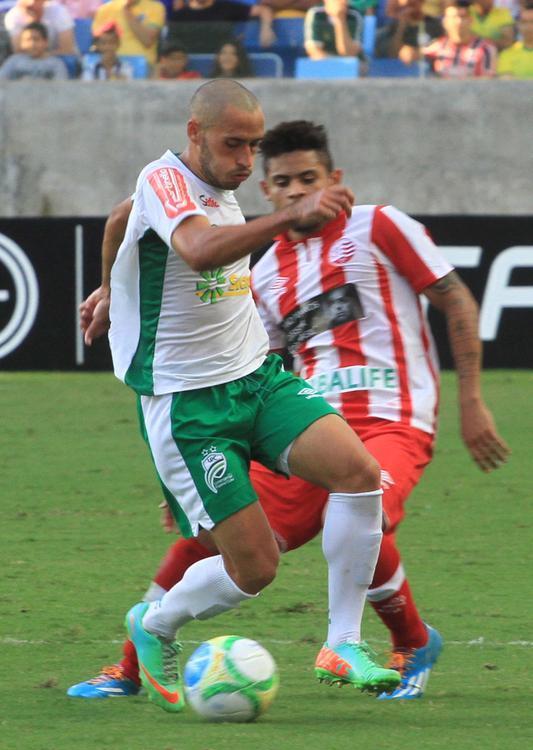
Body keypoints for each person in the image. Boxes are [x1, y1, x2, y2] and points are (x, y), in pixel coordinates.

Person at [69, 118, 509, 704]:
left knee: (361, 497)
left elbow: (455, 298)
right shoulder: (263, 266)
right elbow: (250, 364)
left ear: (334, 180)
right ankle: (132, 660)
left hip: (393, 417)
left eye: (309, 179)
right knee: (222, 540)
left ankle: (395, 641)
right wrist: (188, 476)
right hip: (301, 410)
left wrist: (471, 400)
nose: (297, 191)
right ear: (267, 190)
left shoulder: (379, 225)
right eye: (283, 182)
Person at [166, 0, 275, 53]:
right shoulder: (179, 15)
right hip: (191, 63)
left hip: (223, 61)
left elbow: (264, 10)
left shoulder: (225, 7)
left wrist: (266, 29)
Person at [423, 0, 497, 77]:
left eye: (463, 17)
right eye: (453, 17)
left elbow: (488, 80)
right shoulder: (436, 48)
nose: (459, 22)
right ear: (445, 22)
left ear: (471, 20)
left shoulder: (486, 48)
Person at [91, 0, 165, 67]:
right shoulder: (105, 10)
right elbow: (98, 44)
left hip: (144, 67)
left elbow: (147, 40)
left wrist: (126, 10)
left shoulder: (156, 7)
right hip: (112, 65)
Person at [375, 0, 443, 64]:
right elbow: (390, 54)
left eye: (414, 4)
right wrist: (402, 25)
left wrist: (419, 52)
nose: (410, 9)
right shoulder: (392, 29)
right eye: (408, 5)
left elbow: (440, 49)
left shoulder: (434, 25)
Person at [4, 0, 77, 54]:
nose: (31, 2)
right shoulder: (13, 16)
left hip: (58, 58)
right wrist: (32, 22)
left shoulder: (59, 11)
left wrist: (44, 57)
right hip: (28, 61)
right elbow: (18, 51)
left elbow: (67, 49)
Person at [0, 20, 69, 76]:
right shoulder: (14, 61)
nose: (32, 44)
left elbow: (61, 85)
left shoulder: (56, 64)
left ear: (46, 42)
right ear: (22, 43)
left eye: (36, 39)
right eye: (27, 40)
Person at [497, 3, 533, 76]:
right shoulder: (507, 54)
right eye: (524, 22)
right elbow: (506, 79)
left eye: (532, 22)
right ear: (518, 25)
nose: (529, 27)